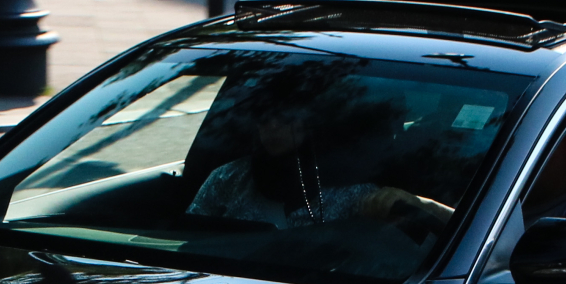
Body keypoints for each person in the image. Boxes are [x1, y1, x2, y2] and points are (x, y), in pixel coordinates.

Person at [188, 91, 451, 230]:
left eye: (286, 119)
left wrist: (418, 206)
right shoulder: (228, 178)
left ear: (310, 124)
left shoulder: (355, 190)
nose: (273, 127)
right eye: (264, 119)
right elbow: (191, 234)